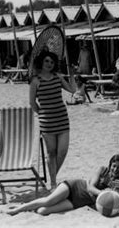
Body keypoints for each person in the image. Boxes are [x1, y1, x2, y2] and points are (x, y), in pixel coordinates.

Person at [7, 154, 119, 216]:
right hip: (74, 187)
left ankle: (31, 208)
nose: (116, 170)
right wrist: (104, 194)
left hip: (78, 202)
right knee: (48, 201)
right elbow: (90, 187)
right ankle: (17, 209)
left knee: (43, 211)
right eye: (114, 166)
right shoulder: (103, 170)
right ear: (110, 165)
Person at [29, 50, 77, 189]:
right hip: (47, 122)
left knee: (62, 151)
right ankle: (54, 182)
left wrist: (72, 74)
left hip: (62, 119)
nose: (49, 64)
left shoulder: (58, 77)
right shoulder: (35, 80)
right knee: (51, 152)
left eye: (52, 61)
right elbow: (32, 103)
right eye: (46, 61)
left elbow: (73, 90)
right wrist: (43, 114)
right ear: (41, 62)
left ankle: (53, 177)